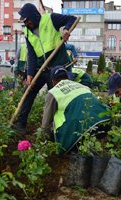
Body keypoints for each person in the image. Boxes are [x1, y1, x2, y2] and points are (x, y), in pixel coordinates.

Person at [11, 3, 77, 134]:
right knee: (28, 91)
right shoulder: (27, 32)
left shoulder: (50, 19)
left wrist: (66, 30)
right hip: (42, 67)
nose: (27, 24)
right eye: (25, 22)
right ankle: (21, 124)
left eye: (28, 20)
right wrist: (30, 73)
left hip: (58, 66)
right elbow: (32, 54)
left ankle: (56, 129)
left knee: (56, 98)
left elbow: (72, 19)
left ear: (33, 16)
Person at [41, 66, 110, 154]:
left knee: (56, 123)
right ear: (67, 77)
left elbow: (46, 122)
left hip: (77, 133)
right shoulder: (82, 86)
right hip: (102, 124)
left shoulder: (54, 92)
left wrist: (44, 140)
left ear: (53, 81)